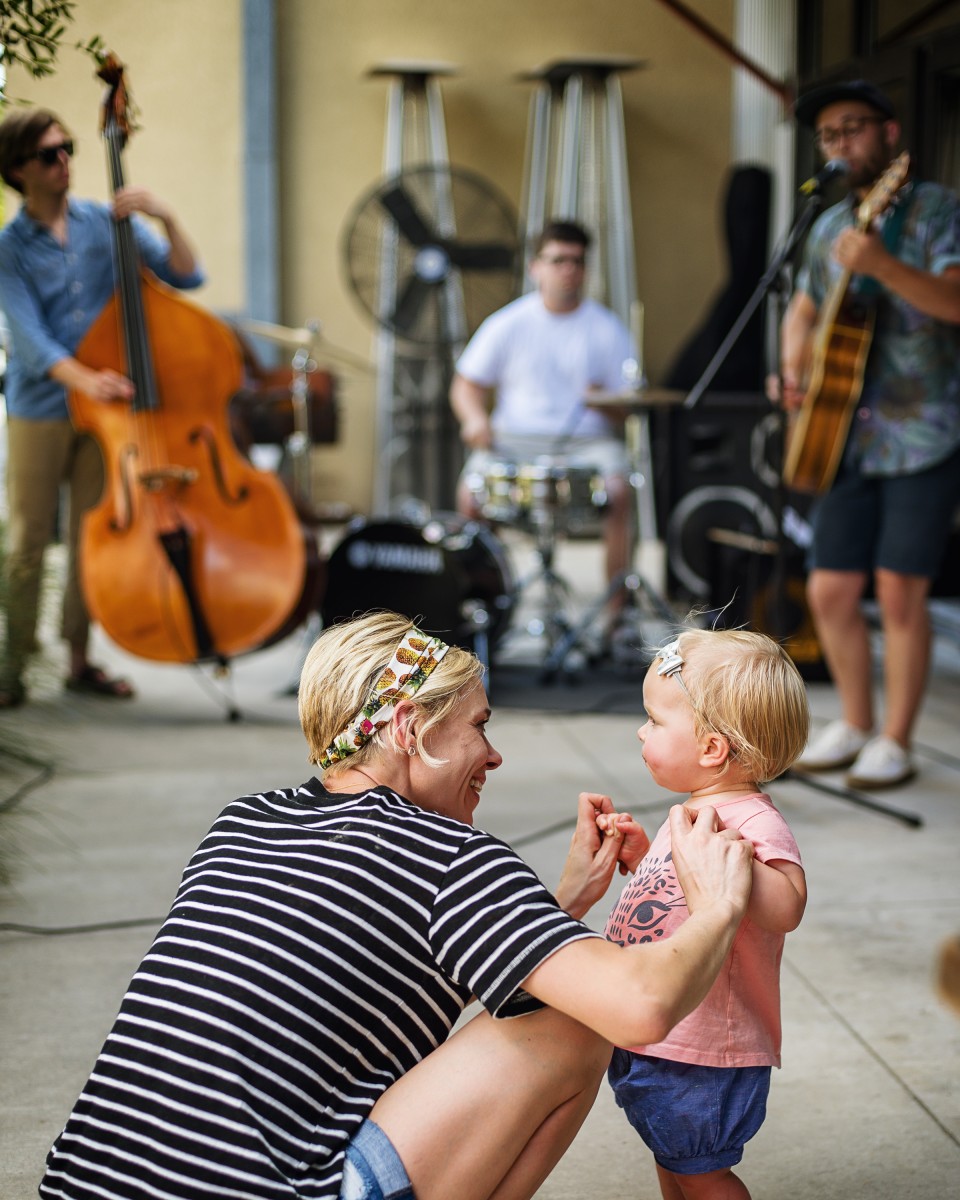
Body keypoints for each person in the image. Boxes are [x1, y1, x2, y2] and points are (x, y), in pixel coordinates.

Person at [40, 610, 755, 1200]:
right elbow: (638, 1006)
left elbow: (373, 967)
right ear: (411, 728)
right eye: (478, 726)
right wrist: (717, 904)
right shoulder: (445, 855)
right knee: (574, 1023)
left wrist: (563, 901)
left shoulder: (243, 822)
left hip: (85, 1183)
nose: (494, 756)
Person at [777, 79, 960, 789]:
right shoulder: (827, 226)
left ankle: (896, 739)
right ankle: (854, 721)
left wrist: (882, 266)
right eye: (829, 135)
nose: (840, 144)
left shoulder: (937, 210)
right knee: (829, 590)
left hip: (926, 430)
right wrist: (792, 369)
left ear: (890, 134)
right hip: (843, 432)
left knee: (899, 591)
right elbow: (802, 311)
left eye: (853, 128)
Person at [0, 107, 205, 709]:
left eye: (68, 148)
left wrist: (165, 216)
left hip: (106, 412)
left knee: (90, 538)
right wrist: (88, 381)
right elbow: (30, 340)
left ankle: (79, 660)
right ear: (18, 170)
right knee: (28, 539)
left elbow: (185, 276)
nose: (64, 161)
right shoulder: (8, 248)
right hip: (41, 409)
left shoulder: (105, 223)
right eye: (49, 155)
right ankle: (11, 666)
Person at [599, 628, 809, 1200]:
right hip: (664, 1031)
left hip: (706, 1047)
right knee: (677, 1163)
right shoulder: (695, 811)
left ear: (712, 749)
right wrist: (644, 857)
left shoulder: (752, 822)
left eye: (654, 720)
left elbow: (787, 904)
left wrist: (736, 862)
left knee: (702, 1172)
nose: (641, 731)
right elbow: (683, 892)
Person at [450, 218, 636, 636]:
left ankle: (617, 616)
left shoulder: (607, 329)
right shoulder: (508, 323)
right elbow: (465, 385)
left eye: (577, 261)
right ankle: (481, 609)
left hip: (586, 444)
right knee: (470, 495)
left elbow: (627, 409)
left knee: (621, 490)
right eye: (558, 260)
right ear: (535, 267)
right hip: (514, 441)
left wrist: (606, 402)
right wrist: (474, 418)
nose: (568, 270)